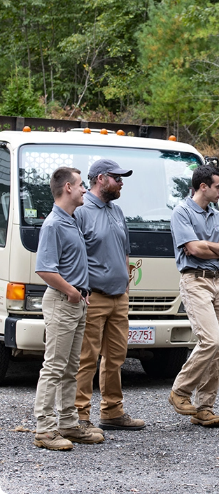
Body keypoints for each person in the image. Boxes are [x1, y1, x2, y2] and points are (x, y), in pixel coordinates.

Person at [33, 167, 104, 450]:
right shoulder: (53, 224)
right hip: (63, 302)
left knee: (71, 367)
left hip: (75, 303)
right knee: (54, 366)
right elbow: (44, 269)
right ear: (67, 188)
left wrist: (80, 293)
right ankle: (44, 430)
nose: (85, 189)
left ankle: (68, 424)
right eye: (80, 185)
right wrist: (72, 291)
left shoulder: (71, 220)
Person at [75, 159, 145, 432]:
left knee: (116, 357)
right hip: (93, 297)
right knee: (86, 358)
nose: (122, 183)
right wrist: (82, 289)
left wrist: (126, 286)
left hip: (118, 297)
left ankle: (112, 412)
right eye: (118, 178)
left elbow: (125, 250)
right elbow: (73, 254)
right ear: (101, 179)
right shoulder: (81, 212)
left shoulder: (117, 211)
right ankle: (79, 416)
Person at [168, 164, 219, 427]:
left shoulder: (218, 215)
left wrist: (207, 247)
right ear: (203, 186)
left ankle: (204, 408)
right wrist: (213, 247)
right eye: (218, 186)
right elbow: (193, 249)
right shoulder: (181, 212)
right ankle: (180, 392)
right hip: (194, 280)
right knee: (211, 340)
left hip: (218, 282)